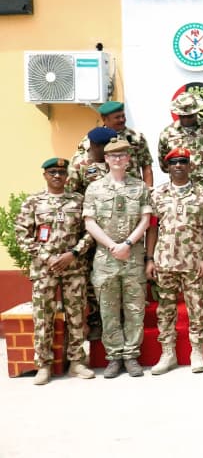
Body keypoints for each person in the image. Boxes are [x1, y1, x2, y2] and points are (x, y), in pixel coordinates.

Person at [15, 158, 95, 385]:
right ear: (45, 175)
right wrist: (47, 257)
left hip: (73, 267)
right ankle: (43, 365)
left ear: (67, 176)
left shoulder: (78, 201)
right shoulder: (33, 202)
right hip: (45, 269)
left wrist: (74, 254)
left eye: (61, 172)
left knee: (76, 315)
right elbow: (22, 234)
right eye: (52, 172)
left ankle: (77, 362)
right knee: (43, 317)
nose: (57, 176)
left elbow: (90, 232)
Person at [82, 137, 152, 378]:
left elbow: (145, 220)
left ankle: (131, 355)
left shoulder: (139, 187)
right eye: (113, 156)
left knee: (134, 309)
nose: (118, 159)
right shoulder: (94, 188)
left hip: (133, 256)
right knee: (108, 309)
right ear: (106, 159)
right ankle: (114, 357)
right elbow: (90, 223)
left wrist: (128, 244)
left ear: (129, 158)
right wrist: (113, 246)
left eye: (122, 155)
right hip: (106, 258)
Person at [145, 147, 203, 375]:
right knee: (165, 310)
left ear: (190, 166)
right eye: (174, 162)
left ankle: (197, 351)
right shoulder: (158, 194)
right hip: (165, 261)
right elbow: (152, 228)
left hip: (194, 262)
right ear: (168, 167)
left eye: (183, 162)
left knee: (197, 309)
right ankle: (168, 353)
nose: (178, 166)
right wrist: (149, 258)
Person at [66, 125, 115, 340]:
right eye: (107, 146)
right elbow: (70, 197)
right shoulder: (80, 164)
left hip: (115, 229)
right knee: (91, 276)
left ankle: (117, 319)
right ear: (96, 146)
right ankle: (96, 321)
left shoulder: (117, 161)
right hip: (90, 230)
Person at [75, 101, 153, 187]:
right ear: (104, 119)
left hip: (133, 189)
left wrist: (148, 190)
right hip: (102, 189)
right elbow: (78, 166)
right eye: (117, 117)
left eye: (123, 116)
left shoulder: (136, 137)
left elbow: (147, 167)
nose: (122, 120)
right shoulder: (92, 139)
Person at [157, 92, 203, 187]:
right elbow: (164, 164)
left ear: (196, 112)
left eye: (190, 116)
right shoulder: (167, 133)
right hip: (180, 189)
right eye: (183, 116)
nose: (186, 119)